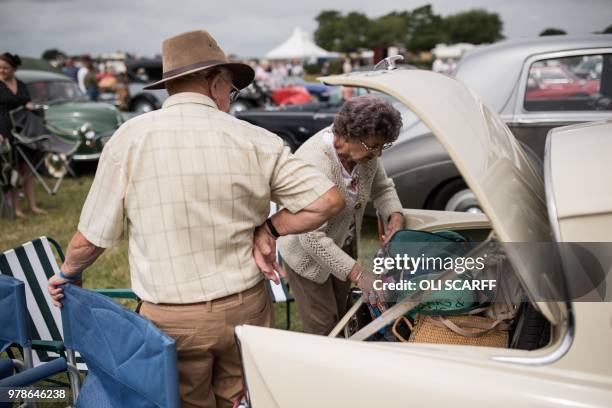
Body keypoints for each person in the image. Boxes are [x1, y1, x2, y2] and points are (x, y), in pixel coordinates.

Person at [47, 30, 344, 408]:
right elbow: (328, 199)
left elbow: (90, 238)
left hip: (173, 318)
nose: (229, 100)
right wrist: (270, 228)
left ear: (172, 85)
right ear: (215, 82)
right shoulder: (255, 138)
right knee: (239, 399)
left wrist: (69, 272)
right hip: (247, 306)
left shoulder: (130, 138)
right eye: (231, 92)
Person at [278, 95, 405, 335]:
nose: (378, 154)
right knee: (324, 328)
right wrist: (359, 274)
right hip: (306, 257)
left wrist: (394, 215)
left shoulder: (364, 153)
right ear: (346, 137)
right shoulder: (315, 164)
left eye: (383, 146)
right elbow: (311, 237)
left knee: (345, 316)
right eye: (373, 146)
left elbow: (383, 188)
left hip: (341, 242)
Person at [0, 52, 46, 217]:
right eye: (0, 68)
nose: (2, 71)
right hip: (5, 130)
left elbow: (26, 100)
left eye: (5, 67)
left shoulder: (21, 84)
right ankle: (17, 208)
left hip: (24, 130)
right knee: (13, 171)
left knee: (27, 169)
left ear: (14, 68)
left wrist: (29, 105)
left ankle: (33, 206)